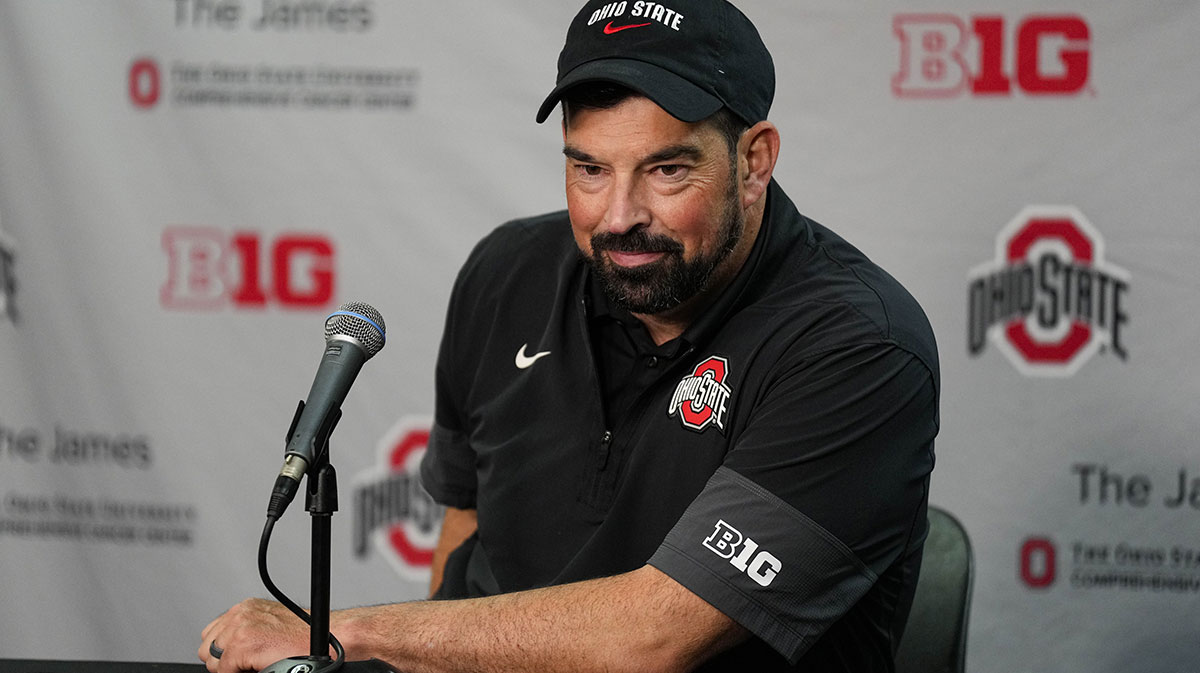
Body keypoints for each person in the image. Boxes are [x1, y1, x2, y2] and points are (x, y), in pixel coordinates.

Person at [199, 1, 939, 671]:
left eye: (667, 169)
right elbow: (466, 519)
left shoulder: (859, 345)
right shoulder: (506, 271)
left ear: (754, 161)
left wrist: (339, 630)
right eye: (589, 167)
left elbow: (655, 634)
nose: (619, 216)